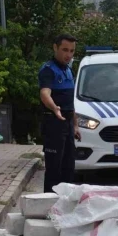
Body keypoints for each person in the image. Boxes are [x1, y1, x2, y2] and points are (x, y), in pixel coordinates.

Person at [39, 34, 81, 193]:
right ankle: (48, 207)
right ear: (55, 48)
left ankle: (66, 206)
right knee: (54, 170)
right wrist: (54, 108)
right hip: (53, 124)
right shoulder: (48, 70)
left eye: (72, 51)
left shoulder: (69, 70)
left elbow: (70, 103)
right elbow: (44, 94)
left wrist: (75, 125)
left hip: (68, 124)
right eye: (65, 50)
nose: (68, 55)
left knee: (69, 168)